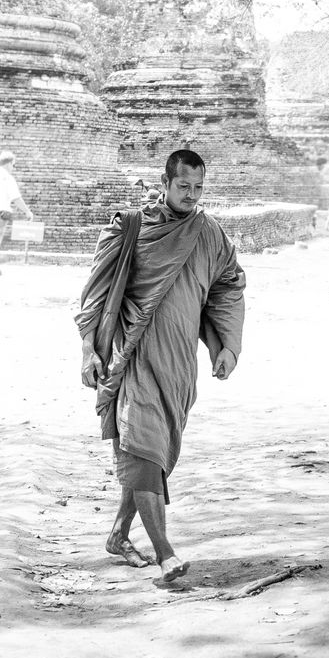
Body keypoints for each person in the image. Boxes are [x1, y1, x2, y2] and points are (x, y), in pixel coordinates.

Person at [76, 149, 245, 583]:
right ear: (166, 182)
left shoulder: (209, 234)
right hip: (132, 357)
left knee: (151, 453)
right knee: (143, 449)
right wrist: (87, 350)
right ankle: (166, 553)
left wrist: (227, 346)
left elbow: (228, 285)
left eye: (199, 188)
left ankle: (117, 534)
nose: (191, 195)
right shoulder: (131, 228)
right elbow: (95, 294)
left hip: (178, 365)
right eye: (183, 186)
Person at [0, 150, 34, 285]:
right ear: (9, 164)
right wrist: (27, 212)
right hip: (1, 214)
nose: (13, 168)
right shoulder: (7, 177)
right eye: (13, 165)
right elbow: (16, 198)